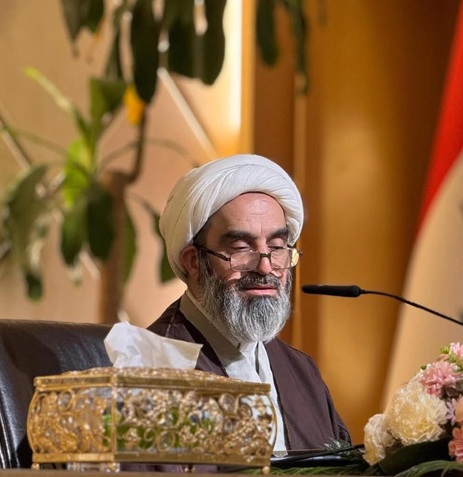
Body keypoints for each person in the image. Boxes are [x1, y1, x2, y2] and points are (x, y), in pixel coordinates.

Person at [150, 154, 350, 452]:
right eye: (242, 249)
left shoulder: (301, 372)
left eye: (277, 248)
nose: (266, 267)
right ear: (193, 262)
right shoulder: (152, 370)